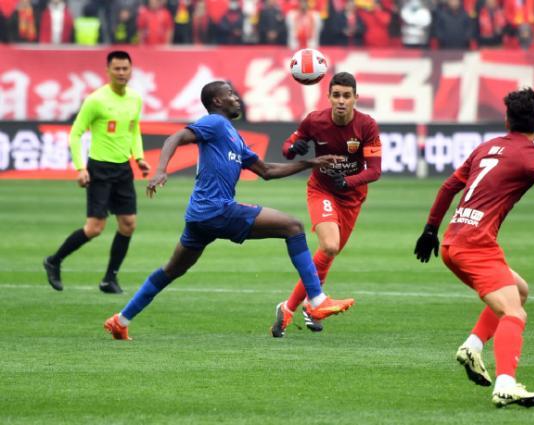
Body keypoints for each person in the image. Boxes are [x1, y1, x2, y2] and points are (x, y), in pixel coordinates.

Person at [103, 81, 355, 340]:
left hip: (199, 217)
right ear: (217, 101)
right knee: (293, 227)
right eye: (230, 94)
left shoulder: (234, 137)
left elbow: (266, 171)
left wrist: (311, 163)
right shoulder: (214, 123)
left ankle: (121, 320)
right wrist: (161, 170)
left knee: (171, 270)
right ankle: (316, 299)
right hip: (217, 210)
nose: (236, 98)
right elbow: (175, 137)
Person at [414, 88, 534, 408]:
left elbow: (449, 186)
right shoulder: (533, 154)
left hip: (452, 241)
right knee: (514, 313)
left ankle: (473, 346)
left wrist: (430, 229)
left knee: (520, 291)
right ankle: (505, 384)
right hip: (476, 245)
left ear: (507, 120)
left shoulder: (486, 147)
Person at [272, 72, 381, 338]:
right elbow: (287, 147)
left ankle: (292, 308)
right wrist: (294, 148)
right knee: (330, 245)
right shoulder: (315, 121)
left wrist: (348, 182)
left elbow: (374, 170)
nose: (341, 101)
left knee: (327, 253)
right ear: (329, 97)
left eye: (347, 96)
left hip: (351, 197)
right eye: (337, 95)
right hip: (321, 190)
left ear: (355, 98)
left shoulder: (366, 125)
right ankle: (309, 304)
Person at [43, 50, 150, 294]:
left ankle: (109, 279)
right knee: (94, 228)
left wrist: (139, 157)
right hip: (99, 168)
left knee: (128, 224)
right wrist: (80, 168)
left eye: (125, 68)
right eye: (117, 69)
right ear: (108, 71)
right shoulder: (96, 100)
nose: (121, 73)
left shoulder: (135, 99)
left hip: (123, 169)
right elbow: (76, 133)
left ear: (131, 70)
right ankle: (54, 261)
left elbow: (133, 130)